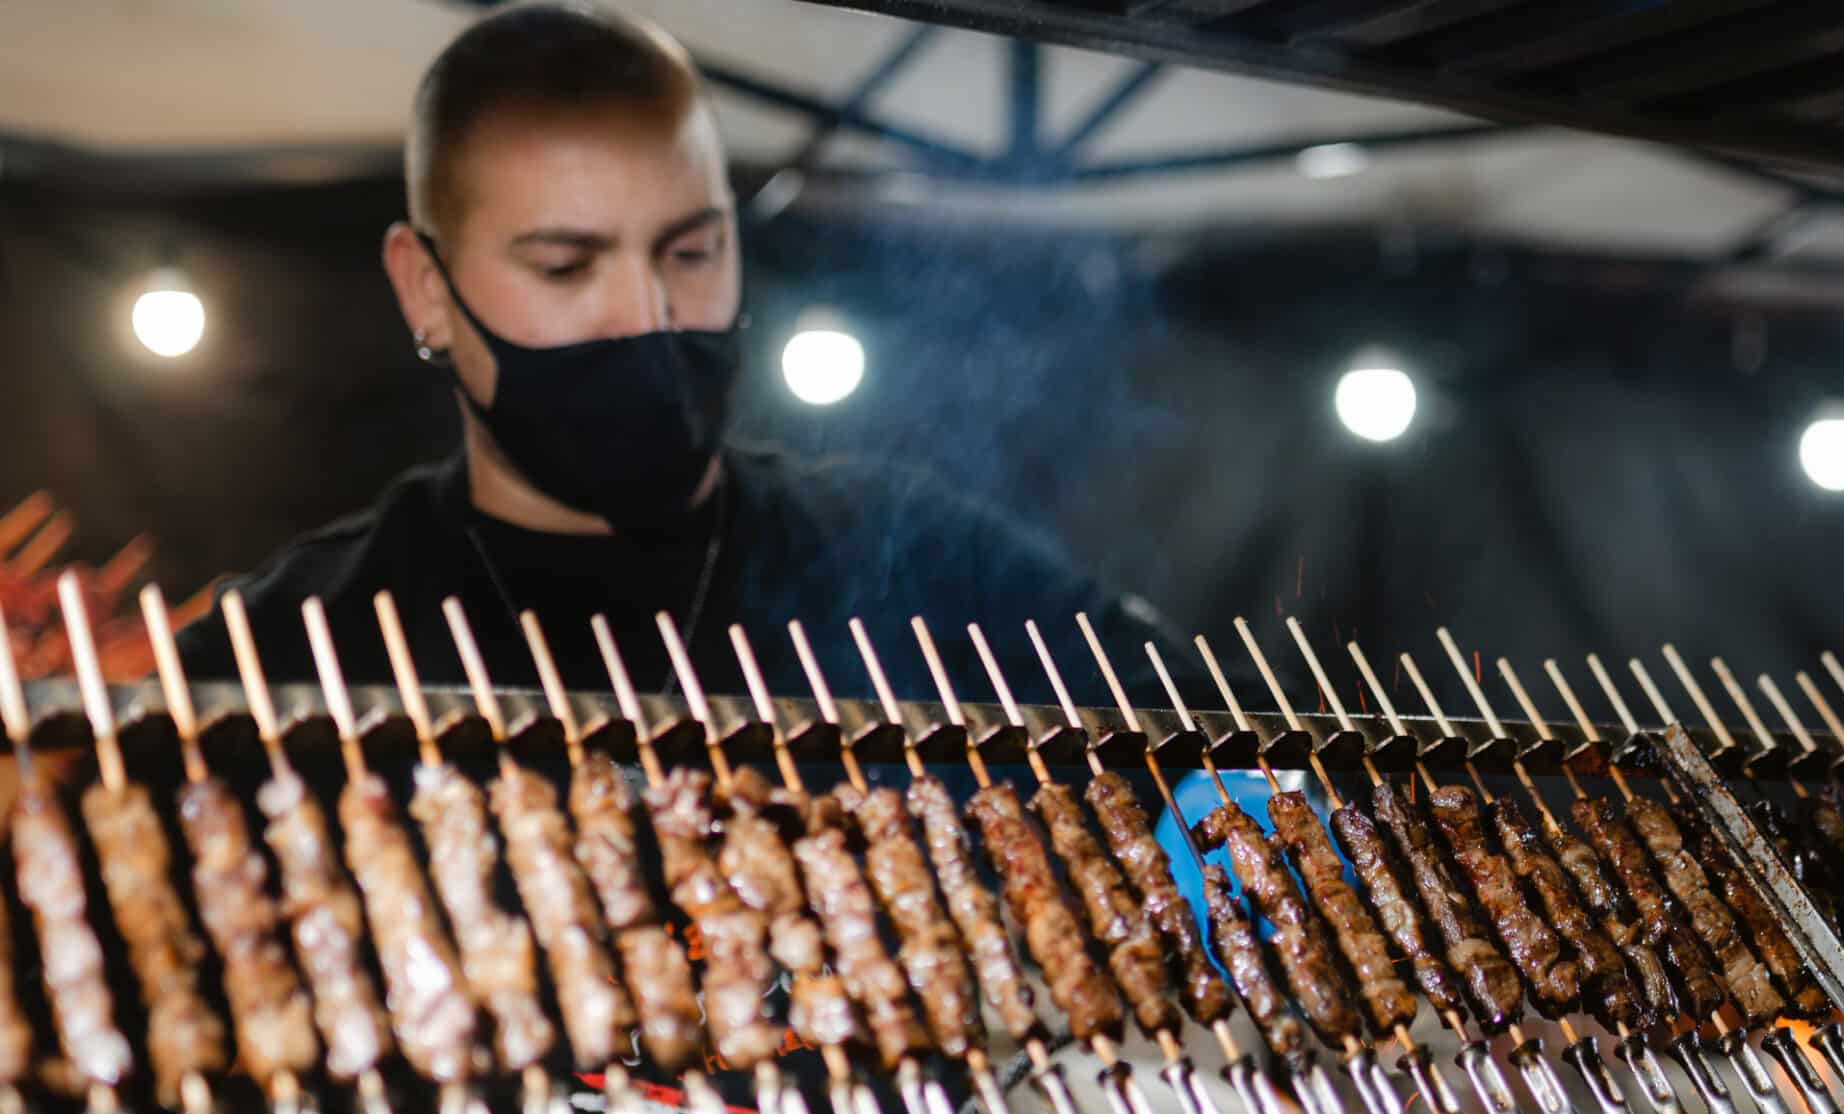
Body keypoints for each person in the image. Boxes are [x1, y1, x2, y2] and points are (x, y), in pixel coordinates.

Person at [174, 2, 1186, 711]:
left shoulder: (922, 554)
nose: (645, 316)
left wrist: (1229, 799)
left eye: (691, 251)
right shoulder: (285, 647)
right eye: (566, 266)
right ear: (426, 289)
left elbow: (1187, 720)